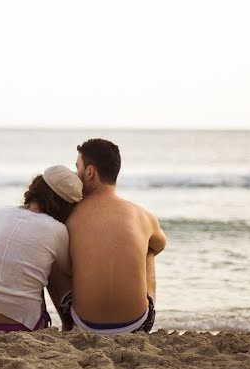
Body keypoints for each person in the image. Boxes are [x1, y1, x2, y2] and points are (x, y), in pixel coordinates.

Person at [52, 138, 166, 335]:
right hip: (138, 324)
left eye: (77, 167)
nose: (75, 174)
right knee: (148, 249)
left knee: (51, 254)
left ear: (89, 172)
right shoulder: (142, 215)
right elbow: (160, 245)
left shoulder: (69, 215)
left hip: (84, 325)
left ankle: (66, 325)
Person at [0, 165, 83, 332]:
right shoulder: (57, 230)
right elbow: (68, 270)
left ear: (35, 187)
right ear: (65, 205)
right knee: (48, 264)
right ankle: (68, 324)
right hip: (21, 326)